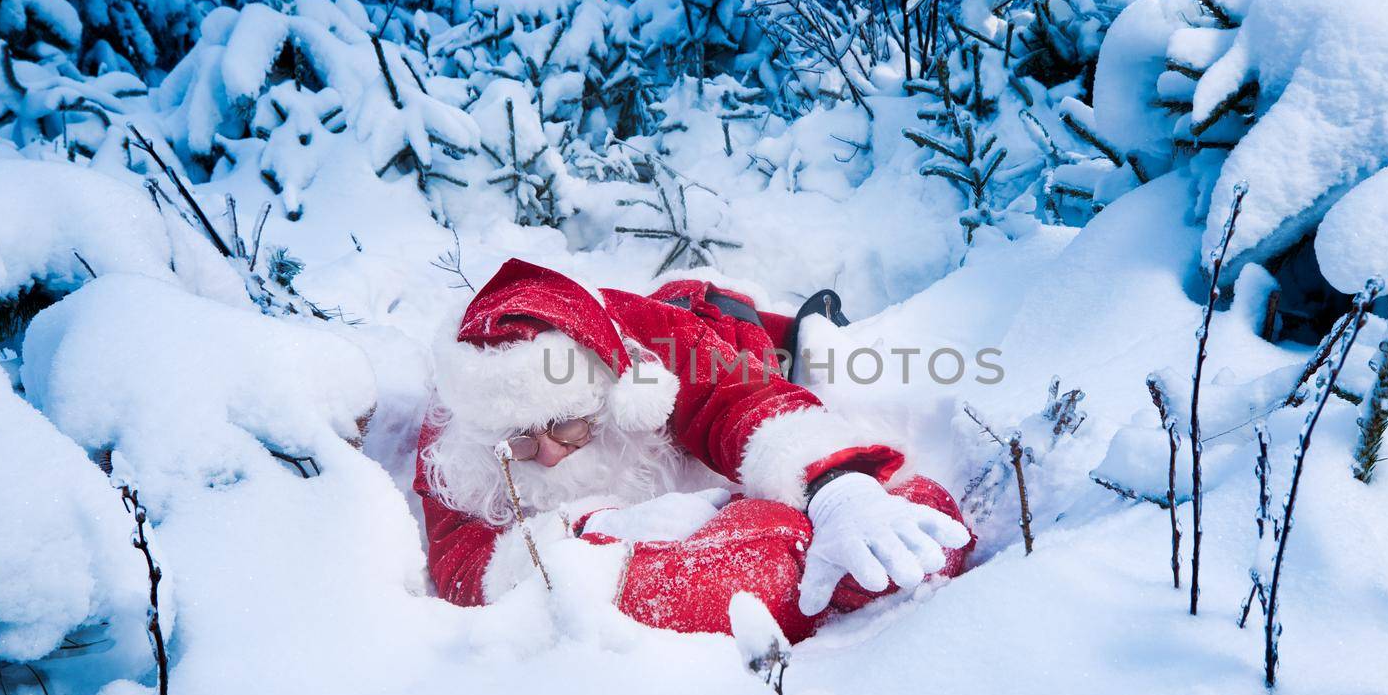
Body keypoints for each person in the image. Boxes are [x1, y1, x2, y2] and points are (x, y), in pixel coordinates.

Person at [414, 258, 973, 642]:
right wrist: (590, 537)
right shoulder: (464, 414)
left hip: (708, 329)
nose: (551, 456)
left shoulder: (646, 351)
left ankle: (806, 325)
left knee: (732, 330)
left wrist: (839, 490)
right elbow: (463, 562)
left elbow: (742, 397)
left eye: (566, 428)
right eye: (520, 443)